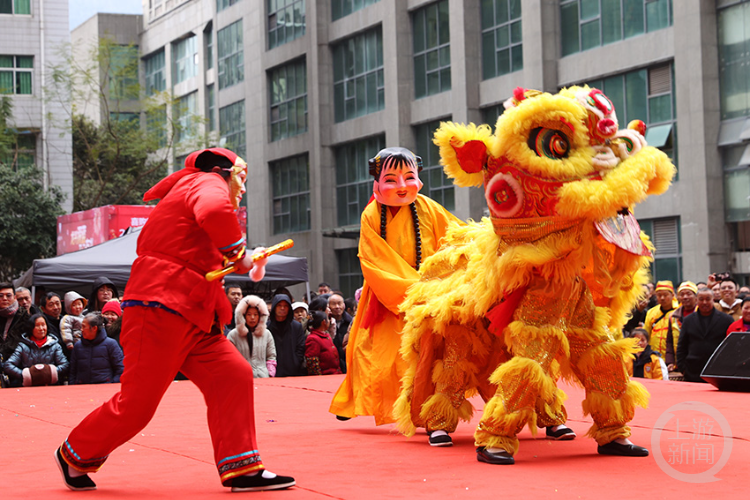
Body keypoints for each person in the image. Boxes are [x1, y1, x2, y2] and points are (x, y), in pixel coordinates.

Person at [54, 148, 294, 492]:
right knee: (137, 405)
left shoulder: (191, 189)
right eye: (241, 178)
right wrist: (239, 254)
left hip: (190, 312)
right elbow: (214, 211)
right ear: (223, 172)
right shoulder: (206, 182)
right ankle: (75, 454)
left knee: (232, 374)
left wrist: (239, 258)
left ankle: (242, 467)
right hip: (160, 306)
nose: (242, 188)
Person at [329, 147, 462, 425]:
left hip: (428, 297)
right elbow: (376, 261)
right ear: (376, 181)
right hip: (388, 298)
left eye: (409, 177)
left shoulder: (428, 208)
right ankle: (357, 401)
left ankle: (423, 408)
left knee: (424, 357)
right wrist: (417, 290)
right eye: (391, 179)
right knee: (374, 356)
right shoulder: (371, 215)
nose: (402, 187)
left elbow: (457, 239)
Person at [677, 288, 734, 383]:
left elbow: (731, 347)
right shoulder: (688, 320)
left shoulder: (726, 320)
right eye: (701, 299)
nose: (704, 302)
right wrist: (682, 367)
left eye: (708, 299)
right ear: (696, 300)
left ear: (713, 300)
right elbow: (681, 346)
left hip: (718, 369)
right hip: (692, 370)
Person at [4, 313, 68, 387]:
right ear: (31, 328)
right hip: (28, 387)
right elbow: (8, 365)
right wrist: (26, 375)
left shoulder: (55, 346)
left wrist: (50, 373)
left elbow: (64, 365)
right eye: (37, 325)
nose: (41, 328)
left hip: (50, 386)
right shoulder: (23, 346)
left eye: (43, 325)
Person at [227, 295, 277, 378]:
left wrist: (270, 373)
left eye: (255, 314)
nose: (252, 318)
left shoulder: (266, 334)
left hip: (263, 377)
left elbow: (271, 356)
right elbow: (229, 358)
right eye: (249, 314)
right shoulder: (233, 335)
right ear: (243, 316)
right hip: (241, 378)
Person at [69, 313, 124, 385]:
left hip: (105, 389)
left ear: (94, 328)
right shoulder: (78, 346)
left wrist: (111, 385)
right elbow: (72, 372)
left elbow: (120, 369)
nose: (81, 330)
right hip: (81, 390)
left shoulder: (111, 344)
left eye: (84, 327)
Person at [267, 294, 306, 377]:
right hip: (272, 372)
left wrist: (296, 361)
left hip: (293, 372)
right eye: (279, 305)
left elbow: (301, 347)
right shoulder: (267, 327)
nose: (282, 308)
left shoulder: (296, 326)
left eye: (285, 306)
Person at [643, 281, 679, 367]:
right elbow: (646, 334)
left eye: (665, 295)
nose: (662, 298)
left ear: (672, 295)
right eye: (659, 295)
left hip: (673, 359)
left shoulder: (678, 311)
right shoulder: (651, 312)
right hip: (655, 358)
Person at [0, 282, 30, 372]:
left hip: (19, 365)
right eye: (1, 296)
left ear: (15, 297)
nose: (4, 299)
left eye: (8, 295)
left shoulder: (25, 317)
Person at [305, 311, 341, 375]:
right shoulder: (313, 339)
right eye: (328, 319)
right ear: (324, 322)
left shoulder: (326, 336)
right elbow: (312, 364)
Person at [328, 292, 352, 373]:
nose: (337, 307)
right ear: (328, 306)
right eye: (333, 304)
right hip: (332, 366)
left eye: (339, 303)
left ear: (344, 305)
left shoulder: (351, 322)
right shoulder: (325, 323)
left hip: (348, 362)